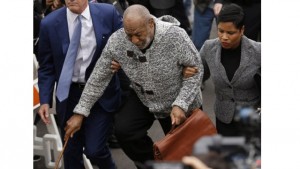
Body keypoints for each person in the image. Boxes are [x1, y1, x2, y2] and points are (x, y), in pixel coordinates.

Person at [64, 4, 203, 169]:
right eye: (129, 35)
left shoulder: (175, 36)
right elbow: (98, 78)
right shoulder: (118, 40)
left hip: (179, 101)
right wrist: (80, 112)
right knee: (124, 130)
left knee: (186, 155)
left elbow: (196, 71)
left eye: (138, 34)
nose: (134, 41)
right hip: (144, 97)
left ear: (151, 23)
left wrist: (181, 103)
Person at [37, 0, 123, 168]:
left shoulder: (107, 13)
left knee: (94, 149)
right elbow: (46, 67)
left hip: (101, 94)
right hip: (69, 95)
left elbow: (126, 45)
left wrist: (121, 61)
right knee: (71, 152)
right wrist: (45, 100)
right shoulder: (49, 23)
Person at [187, 3, 261, 136]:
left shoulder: (258, 51)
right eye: (221, 31)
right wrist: (188, 73)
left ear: (242, 30)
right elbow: (196, 76)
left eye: (230, 33)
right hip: (224, 119)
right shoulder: (209, 48)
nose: (224, 37)